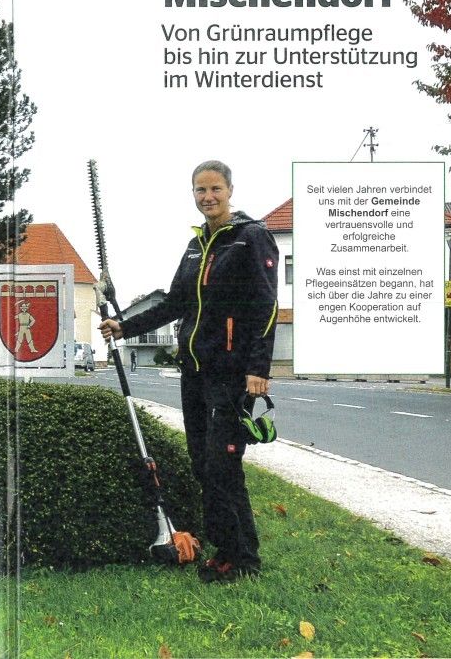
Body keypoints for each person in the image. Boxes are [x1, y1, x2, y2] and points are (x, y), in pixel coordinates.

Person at [100, 160, 277, 583]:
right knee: (203, 465)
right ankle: (226, 551)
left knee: (223, 466)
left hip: (231, 376)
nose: (208, 197)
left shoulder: (251, 237)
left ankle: (243, 559)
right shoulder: (196, 246)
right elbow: (175, 302)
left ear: (230, 189)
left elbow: (265, 307)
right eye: (200, 190)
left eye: (215, 188)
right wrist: (125, 326)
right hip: (194, 374)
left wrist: (258, 369)